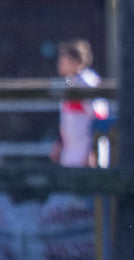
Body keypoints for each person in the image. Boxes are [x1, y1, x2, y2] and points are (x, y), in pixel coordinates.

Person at [49, 39, 109, 168]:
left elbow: (99, 116)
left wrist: (93, 151)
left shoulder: (88, 83)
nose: (59, 63)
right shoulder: (69, 82)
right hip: (71, 152)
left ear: (75, 61)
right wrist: (59, 143)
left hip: (86, 153)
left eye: (63, 59)